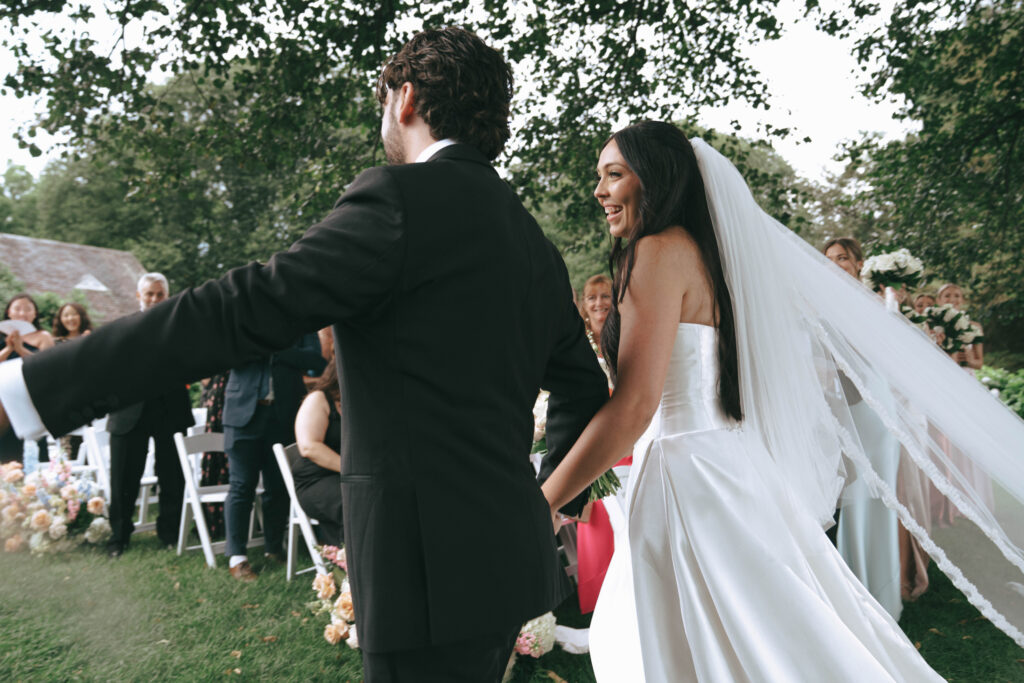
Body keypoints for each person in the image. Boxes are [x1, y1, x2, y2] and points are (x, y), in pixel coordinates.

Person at [0, 27, 607, 682]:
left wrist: (34, 387)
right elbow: (582, 389)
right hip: (505, 566)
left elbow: (239, 308)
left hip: (417, 576)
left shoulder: (401, 201)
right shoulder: (531, 242)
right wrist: (541, 500)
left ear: (405, 99)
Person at [538, 121, 1018, 680]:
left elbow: (637, 405)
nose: (599, 190)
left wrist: (546, 500)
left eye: (613, 175)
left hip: (686, 478)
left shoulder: (657, 251)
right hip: (726, 465)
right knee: (775, 626)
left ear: (655, 178)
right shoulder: (706, 256)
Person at [822, 236, 903, 620]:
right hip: (840, 408)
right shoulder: (819, 302)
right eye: (829, 259)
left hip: (873, 410)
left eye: (842, 258)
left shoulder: (875, 304)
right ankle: (850, 590)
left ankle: (881, 588)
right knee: (845, 493)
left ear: (858, 263)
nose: (835, 264)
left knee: (876, 497)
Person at [221, 334, 325, 580]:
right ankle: (237, 557)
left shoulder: (300, 323)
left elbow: (315, 361)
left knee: (277, 487)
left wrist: (274, 348)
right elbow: (225, 356)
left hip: (284, 416)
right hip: (242, 416)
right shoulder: (241, 321)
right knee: (241, 485)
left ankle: (273, 549)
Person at [105, 273, 194, 557]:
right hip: (129, 410)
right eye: (149, 294)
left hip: (171, 407)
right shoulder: (122, 327)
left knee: (171, 476)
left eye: (159, 294)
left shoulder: (181, 327)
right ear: (138, 296)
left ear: (167, 296)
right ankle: (118, 538)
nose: (154, 299)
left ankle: (169, 534)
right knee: (123, 478)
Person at [291, 358, 344, 545]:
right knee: (359, 502)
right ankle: (348, 561)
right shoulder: (319, 399)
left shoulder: (359, 403)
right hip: (315, 480)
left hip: (348, 478)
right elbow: (309, 447)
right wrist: (352, 469)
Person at [0, 294, 53, 463]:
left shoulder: (43, 336)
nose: (22, 313)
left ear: (35, 314)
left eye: (27, 309)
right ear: (9, 312)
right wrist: (9, 348)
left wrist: (21, 349)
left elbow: (47, 366)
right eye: (17, 308)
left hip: (29, 390)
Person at [53, 302, 93, 460]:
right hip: (66, 400)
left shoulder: (91, 337)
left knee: (91, 446)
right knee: (68, 450)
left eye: (74, 314)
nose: (70, 318)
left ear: (81, 316)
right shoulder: (56, 343)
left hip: (89, 399)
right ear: (60, 319)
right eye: (66, 315)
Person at [936, 283, 984, 369]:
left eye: (957, 296)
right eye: (947, 296)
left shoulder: (974, 327)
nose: (952, 299)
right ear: (938, 300)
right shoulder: (932, 324)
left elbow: (979, 364)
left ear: (962, 300)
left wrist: (970, 360)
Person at [579, 274, 613, 350]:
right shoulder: (577, 338)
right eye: (592, 298)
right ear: (584, 304)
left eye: (605, 296)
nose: (599, 303)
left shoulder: (625, 337)